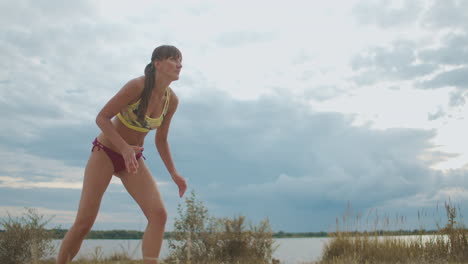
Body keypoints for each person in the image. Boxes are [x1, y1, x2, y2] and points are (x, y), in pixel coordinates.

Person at [56, 45, 187, 264]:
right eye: (174, 59)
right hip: (106, 152)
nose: (180, 65)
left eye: (181, 61)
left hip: (132, 160)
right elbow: (102, 118)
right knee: (85, 222)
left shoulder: (171, 101)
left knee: (158, 215)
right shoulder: (137, 86)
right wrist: (124, 148)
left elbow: (161, 140)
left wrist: (174, 173)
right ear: (157, 63)